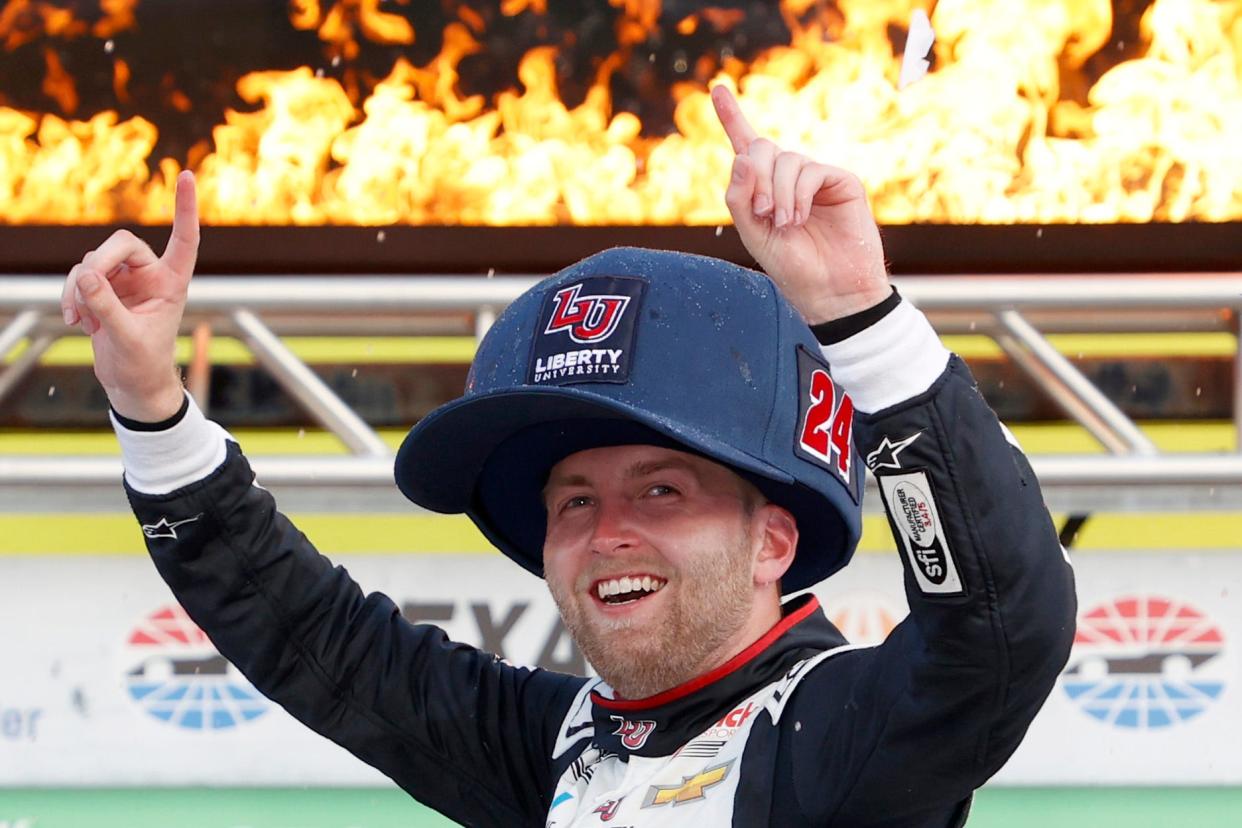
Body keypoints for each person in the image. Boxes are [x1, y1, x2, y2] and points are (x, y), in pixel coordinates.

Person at [61, 86, 1076, 827]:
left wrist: (861, 317)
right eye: (573, 500)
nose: (608, 533)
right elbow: (311, 640)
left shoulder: (842, 738)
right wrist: (153, 408)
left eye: (663, 488)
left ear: (774, 539)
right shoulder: (549, 748)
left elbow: (1001, 629)